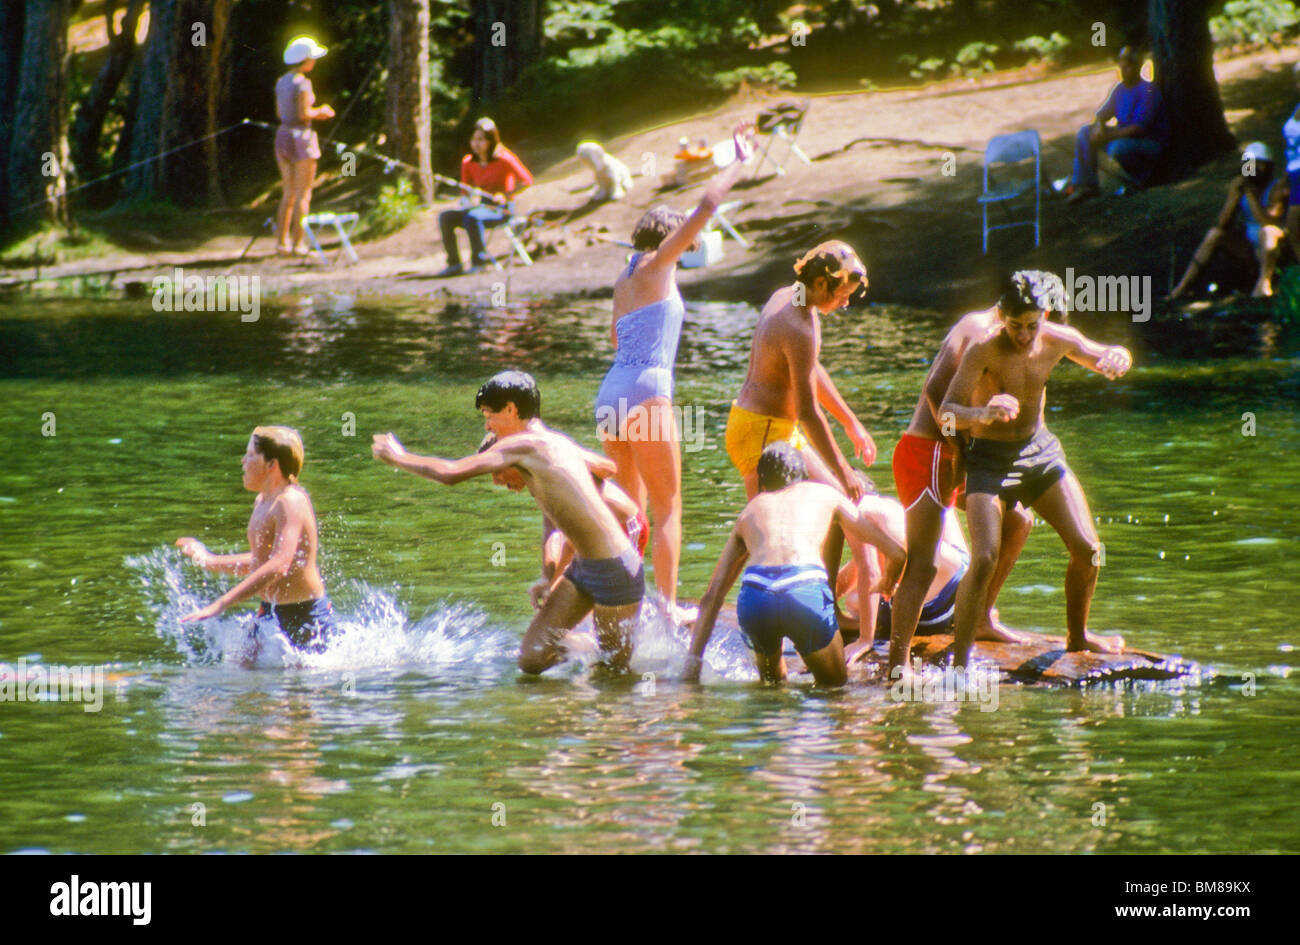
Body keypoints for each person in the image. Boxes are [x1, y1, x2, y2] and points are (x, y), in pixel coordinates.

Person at [371, 371, 642, 674]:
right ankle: (580, 692)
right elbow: (556, 516)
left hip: (615, 567)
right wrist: (547, 576)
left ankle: (636, 668)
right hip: (585, 569)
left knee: (612, 674)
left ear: (511, 410)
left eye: (489, 415)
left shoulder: (525, 444)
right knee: (532, 658)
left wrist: (398, 457)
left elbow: (452, 473)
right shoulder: (551, 442)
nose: (487, 425)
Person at [594, 123, 754, 619]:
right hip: (645, 390)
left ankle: (621, 602)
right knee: (667, 509)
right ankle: (665, 609)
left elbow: (615, 338)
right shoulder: (660, 265)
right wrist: (739, 161)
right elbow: (705, 208)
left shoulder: (625, 278)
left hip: (610, 394)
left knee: (630, 512)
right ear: (668, 241)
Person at [881, 276, 1074, 674]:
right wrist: (957, 453)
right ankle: (896, 668)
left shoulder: (1019, 340)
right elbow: (935, 390)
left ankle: (981, 616)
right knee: (923, 563)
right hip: (932, 450)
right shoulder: (976, 328)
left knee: (1019, 521)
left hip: (966, 449)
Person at [939, 272, 1132, 667]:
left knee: (1089, 550)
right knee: (986, 557)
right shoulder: (983, 350)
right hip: (989, 461)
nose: (1024, 335)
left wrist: (1120, 357)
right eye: (1015, 326)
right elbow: (945, 414)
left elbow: (1103, 356)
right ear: (1001, 318)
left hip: (1040, 453)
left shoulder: (1059, 338)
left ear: (1044, 315)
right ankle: (959, 664)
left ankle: (1077, 639)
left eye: (1032, 326)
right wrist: (983, 413)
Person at [724, 239, 879, 632]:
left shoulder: (792, 298)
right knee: (767, 537)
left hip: (776, 429)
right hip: (762, 435)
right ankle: (757, 627)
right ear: (822, 284)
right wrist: (843, 468)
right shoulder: (796, 324)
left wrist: (849, 421)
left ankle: (823, 606)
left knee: (839, 508)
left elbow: (807, 370)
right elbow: (808, 411)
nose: (845, 304)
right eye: (842, 295)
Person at [684, 443, 905, 687]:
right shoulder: (824, 493)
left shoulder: (750, 511)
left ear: (763, 484)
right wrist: (888, 582)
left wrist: (691, 667)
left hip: (757, 595)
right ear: (803, 477)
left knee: (772, 689)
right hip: (804, 588)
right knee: (834, 689)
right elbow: (896, 553)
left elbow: (712, 596)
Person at [176, 426, 335, 657]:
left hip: (304, 616)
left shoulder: (290, 501)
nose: (243, 460)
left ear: (272, 465)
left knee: (299, 690)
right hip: (269, 611)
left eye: (250, 455)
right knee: (241, 679)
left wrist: (221, 603)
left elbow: (279, 564)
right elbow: (261, 563)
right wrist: (209, 560)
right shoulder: (262, 501)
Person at [477, 431, 649, 610]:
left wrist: (570, 456)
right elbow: (551, 530)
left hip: (625, 527)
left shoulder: (551, 463)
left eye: (497, 472)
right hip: (590, 535)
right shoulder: (537, 480)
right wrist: (547, 580)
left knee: (611, 607)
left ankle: (654, 621)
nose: (496, 481)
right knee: (574, 608)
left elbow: (609, 469)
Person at [1170, 142, 1289, 298]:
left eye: (1260, 164)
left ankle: (1263, 285)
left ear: (1269, 167)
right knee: (1215, 234)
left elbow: (1268, 223)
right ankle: (1182, 288)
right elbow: (1222, 223)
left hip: (1273, 248)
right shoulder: (1241, 186)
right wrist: (1234, 197)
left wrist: (1251, 195)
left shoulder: (1277, 189)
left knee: (1267, 232)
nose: (1254, 169)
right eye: (1251, 164)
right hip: (1248, 248)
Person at [1067, 46, 1167, 203]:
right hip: (1124, 137)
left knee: (1118, 148)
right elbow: (1102, 114)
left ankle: (1145, 178)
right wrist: (1099, 127)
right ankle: (1086, 185)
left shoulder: (1148, 90)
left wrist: (1107, 136)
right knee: (1085, 132)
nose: (1124, 69)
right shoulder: (1120, 89)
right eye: (1121, 65)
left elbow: (1139, 128)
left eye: (1129, 66)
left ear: (1138, 66)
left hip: (1150, 142)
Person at [436, 118, 533, 276]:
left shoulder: (504, 158)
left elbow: (527, 180)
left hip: (501, 209)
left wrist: (506, 195)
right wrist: (466, 200)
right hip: (480, 208)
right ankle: (454, 264)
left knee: (473, 217)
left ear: (491, 141)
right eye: (474, 139)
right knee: (446, 217)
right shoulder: (468, 162)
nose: (476, 144)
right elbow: (465, 189)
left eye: (481, 139)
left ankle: (479, 262)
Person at [274, 36, 334, 257]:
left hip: (282, 136)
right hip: (302, 138)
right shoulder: (303, 83)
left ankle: (281, 243)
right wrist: (322, 111)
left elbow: (281, 113)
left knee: (287, 193)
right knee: (303, 195)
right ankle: (298, 245)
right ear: (306, 60)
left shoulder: (281, 81)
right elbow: (303, 114)